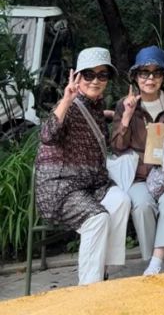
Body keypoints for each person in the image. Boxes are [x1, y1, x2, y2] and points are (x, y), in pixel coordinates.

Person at [35, 47, 131, 286]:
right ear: (77, 76)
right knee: (97, 219)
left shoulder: (95, 106)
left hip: (92, 184)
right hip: (61, 187)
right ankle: (88, 289)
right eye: (89, 75)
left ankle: (103, 270)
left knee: (121, 201)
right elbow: (48, 135)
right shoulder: (68, 105)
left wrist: (123, 116)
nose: (95, 81)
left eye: (102, 75)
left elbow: (103, 138)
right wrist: (66, 99)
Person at [110, 46, 164, 275]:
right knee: (142, 205)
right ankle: (155, 263)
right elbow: (117, 146)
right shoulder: (125, 104)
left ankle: (156, 262)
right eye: (144, 72)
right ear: (135, 76)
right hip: (138, 176)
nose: (150, 79)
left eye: (156, 72)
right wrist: (126, 116)